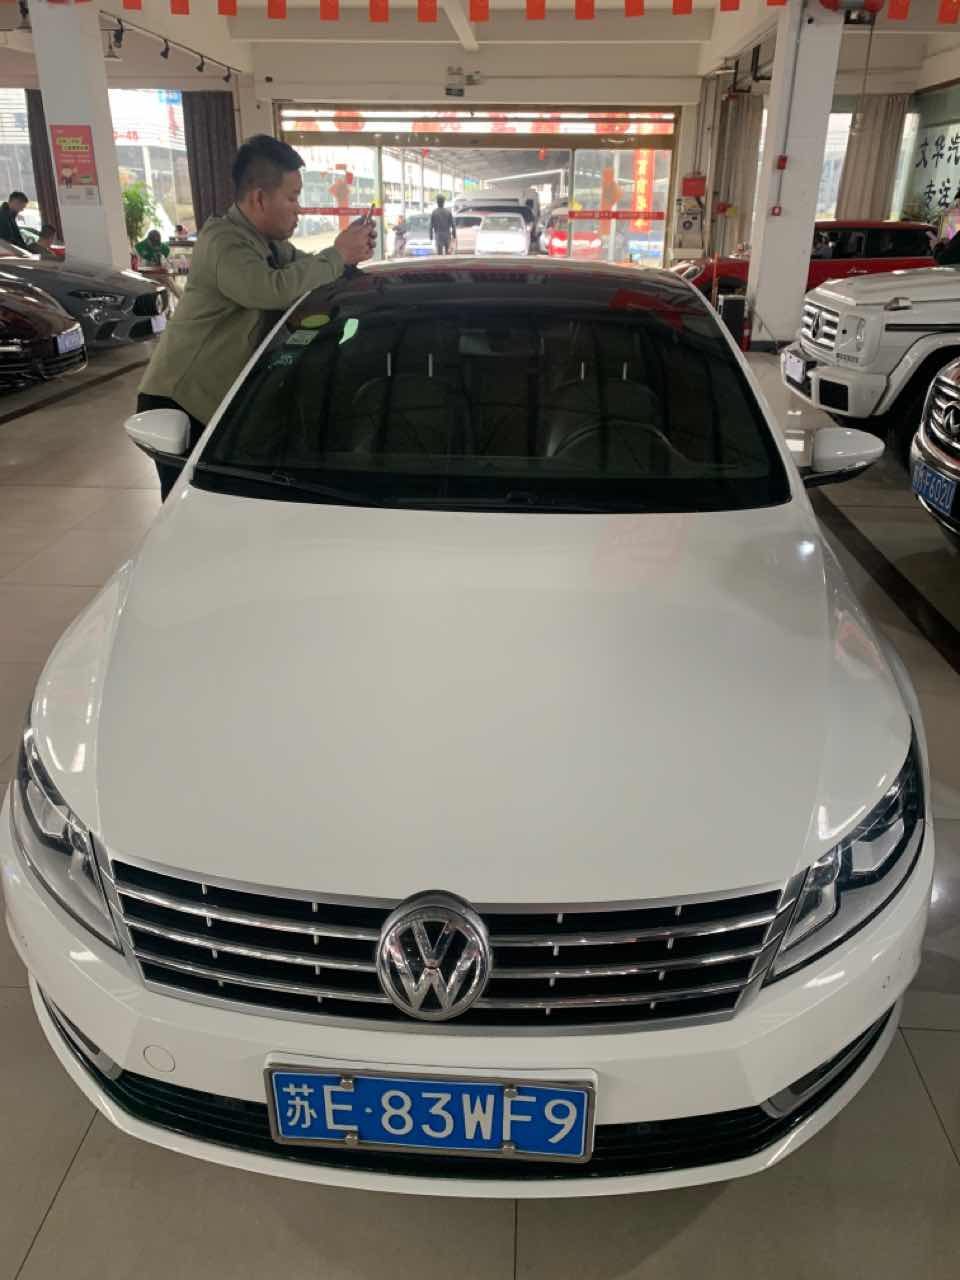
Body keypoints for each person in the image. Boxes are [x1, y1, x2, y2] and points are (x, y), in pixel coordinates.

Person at [137, 134, 374, 499]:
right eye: (292, 198)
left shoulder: (270, 244)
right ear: (259, 197)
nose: (299, 209)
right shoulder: (223, 242)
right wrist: (338, 254)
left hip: (223, 400)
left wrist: (348, 262)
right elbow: (270, 289)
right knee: (194, 504)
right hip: (182, 402)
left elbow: (307, 273)